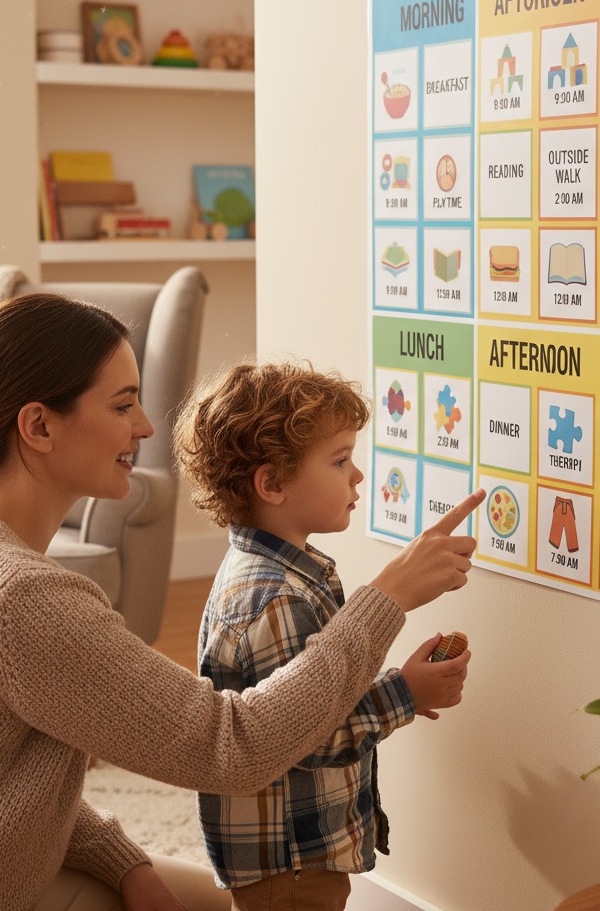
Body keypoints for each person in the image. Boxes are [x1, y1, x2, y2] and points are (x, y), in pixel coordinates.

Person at [0, 293, 484, 911]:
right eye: (122, 405)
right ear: (39, 427)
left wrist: (124, 866)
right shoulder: (18, 598)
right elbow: (231, 747)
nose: (144, 426)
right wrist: (388, 597)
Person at [174, 361, 475, 911]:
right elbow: (301, 736)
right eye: (339, 461)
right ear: (272, 484)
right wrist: (404, 694)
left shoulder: (280, 572)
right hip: (289, 865)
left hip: (289, 856)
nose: (357, 475)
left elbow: (308, 696)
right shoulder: (276, 599)